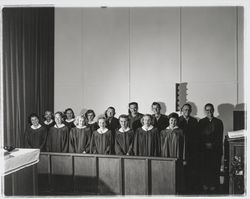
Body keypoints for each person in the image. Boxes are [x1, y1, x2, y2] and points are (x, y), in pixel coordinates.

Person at [198, 103, 224, 193]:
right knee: (205, 168)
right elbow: (199, 137)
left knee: (214, 168)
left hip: (215, 150)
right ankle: (205, 184)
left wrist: (212, 145)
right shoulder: (201, 122)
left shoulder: (219, 122)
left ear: (213, 110)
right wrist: (205, 144)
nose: (209, 112)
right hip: (204, 150)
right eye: (207, 110)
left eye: (211, 109)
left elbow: (219, 136)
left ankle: (213, 185)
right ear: (205, 111)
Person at [178, 104, 199, 194]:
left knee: (191, 169)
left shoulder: (194, 121)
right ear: (181, 110)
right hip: (181, 148)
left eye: (188, 110)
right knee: (181, 169)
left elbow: (197, 135)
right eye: (185, 109)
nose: (187, 111)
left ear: (190, 111)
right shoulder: (178, 120)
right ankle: (182, 188)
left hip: (192, 149)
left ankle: (190, 188)